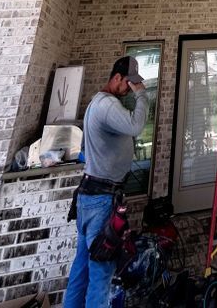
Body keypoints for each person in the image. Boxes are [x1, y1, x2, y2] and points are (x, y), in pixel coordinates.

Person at [64, 56, 149, 308]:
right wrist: (142, 96)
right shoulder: (108, 105)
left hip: (91, 197)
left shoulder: (97, 104)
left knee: (81, 272)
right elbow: (135, 126)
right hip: (100, 202)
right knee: (100, 277)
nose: (130, 88)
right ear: (116, 78)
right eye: (128, 83)